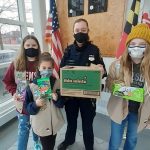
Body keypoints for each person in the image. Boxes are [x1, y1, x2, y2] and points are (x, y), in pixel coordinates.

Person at [57, 18, 107, 150]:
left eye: (83, 30)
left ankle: (89, 146)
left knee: (87, 124)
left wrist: (101, 71)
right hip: (71, 97)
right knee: (71, 122)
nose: (80, 33)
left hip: (88, 97)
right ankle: (69, 140)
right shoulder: (68, 51)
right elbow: (61, 71)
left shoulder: (94, 50)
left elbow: (104, 72)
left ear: (88, 31)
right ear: (73, 32)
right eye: (77, 30)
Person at [106, 23, 150, 150]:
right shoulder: (117, 65)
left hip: (138, 112)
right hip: (120, 109)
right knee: (115, 141)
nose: (136, 48)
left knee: (132, 140)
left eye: (142, 45)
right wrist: (116, 85)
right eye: (133, 44)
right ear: (128, 46)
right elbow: (109, 82)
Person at [3, 35, 42, 150]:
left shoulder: (42, 63)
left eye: (34, 45)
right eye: (28, 45)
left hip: (37, 103)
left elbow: (47, 81)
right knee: (23, 130)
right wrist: (14, 92)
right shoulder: (16, 63)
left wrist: (46, 97)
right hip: (22, 104)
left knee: (36, 126)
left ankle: (36, 141)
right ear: (23, 47)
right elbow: (7, 81)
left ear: (38, 47)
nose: (31, 47)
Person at [25, 52, 64, 150]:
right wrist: (36, 104)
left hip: (54, 123)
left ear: (53, 68)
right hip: (41, 125)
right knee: (47, 147)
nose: (47, 70)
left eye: (50, 68)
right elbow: (28, 108)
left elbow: (61, 104)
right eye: (44, 68)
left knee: (52, 142)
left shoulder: (57, 83)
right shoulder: (32, 86)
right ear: (38, 68)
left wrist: (57, 98)